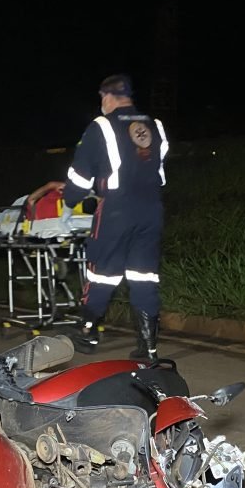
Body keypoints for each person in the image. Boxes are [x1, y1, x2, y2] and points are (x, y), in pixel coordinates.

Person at [60, 73, 169, 360]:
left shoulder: (101, 126)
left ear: (107, 96)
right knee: (144, 276)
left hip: (117, 210)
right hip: (152, 209)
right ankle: (148, 347)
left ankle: (87, 333)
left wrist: (70, 200)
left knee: (102, 272)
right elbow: (159, 171)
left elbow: (80, 176)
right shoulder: (154, 125)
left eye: (102, 98)